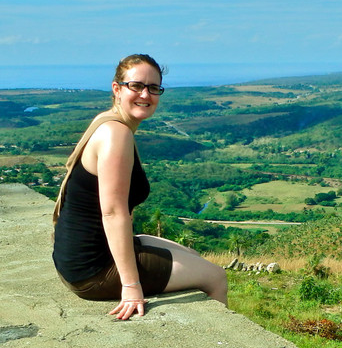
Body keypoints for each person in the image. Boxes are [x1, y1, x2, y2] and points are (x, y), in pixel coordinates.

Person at [52, 54, 227, 320]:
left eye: (153, 88)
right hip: (93, 270)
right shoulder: (116, 134)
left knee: (193, 255)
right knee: (216, 276)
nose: (145, 94)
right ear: (117, 89)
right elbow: (113, 213)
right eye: (136, 85)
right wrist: (131, 287)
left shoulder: (108, 122)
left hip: (79, 258)